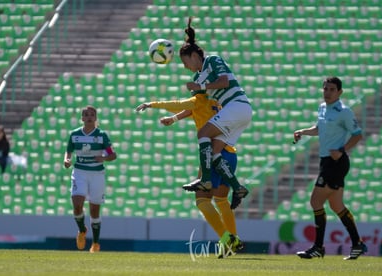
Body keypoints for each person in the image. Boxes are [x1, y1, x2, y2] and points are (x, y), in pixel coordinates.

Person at [136, 93, 243, 258]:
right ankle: (234, 239)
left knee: (202, 200)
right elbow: (191, 110)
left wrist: (151, 104)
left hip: (213, 154)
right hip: (230, 154)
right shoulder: (218, 101)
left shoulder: (198, 100)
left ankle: (227, 237)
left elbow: (178, 103)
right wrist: (174, 119)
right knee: (221, 200)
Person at [179, 17, 252, 209]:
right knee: (214, 152)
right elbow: (196, 105)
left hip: (237, 105)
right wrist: (174, 117)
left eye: (184, 61)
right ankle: (237, 187)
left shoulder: (212, 60)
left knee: (203, 133)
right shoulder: (197, 77)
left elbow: (224, 82)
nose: (185, 66)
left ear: (194, 55)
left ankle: (207, 180)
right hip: (236, 113)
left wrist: (199, 85)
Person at [293, 77, 367, 260]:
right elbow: (319, 128)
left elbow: (357, 135)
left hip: (336, 163)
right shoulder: (322, 107)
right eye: (325, 88)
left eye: (332, 89)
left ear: (340, 92)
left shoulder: (344, 112)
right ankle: (357, 244)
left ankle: (318, 247)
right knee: (336, 205)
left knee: (315, 201)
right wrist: (303, 132)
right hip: (326, 161)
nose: (327, 92)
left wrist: (341, 150)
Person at [63, 105, 117, 253]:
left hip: (97, 174)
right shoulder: (75, 135)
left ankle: (95, 243)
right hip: (80, 172)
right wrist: (67, 160)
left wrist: (104, 157)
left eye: (91, 115)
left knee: (94, 210)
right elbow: (68, 151)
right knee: (77, 205)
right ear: (82, 118)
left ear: (95, 118)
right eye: (86, 115)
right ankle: (82, 230)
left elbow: (113, 155)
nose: (89, 117)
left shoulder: (101, 135)